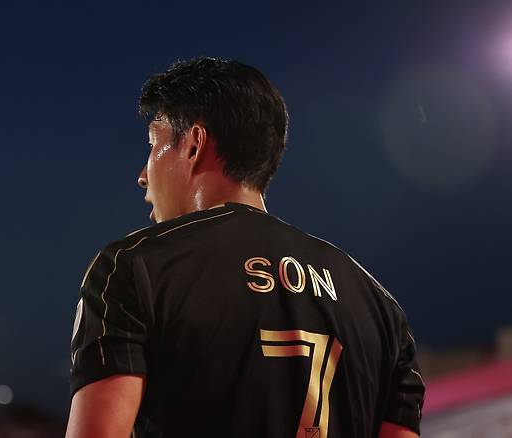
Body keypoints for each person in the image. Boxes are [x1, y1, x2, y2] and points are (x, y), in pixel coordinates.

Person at [65, 57, 424, 438]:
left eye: (154, 145)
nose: (142, 175)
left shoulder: (132, 267)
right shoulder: (382, 309)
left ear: (194, 144)